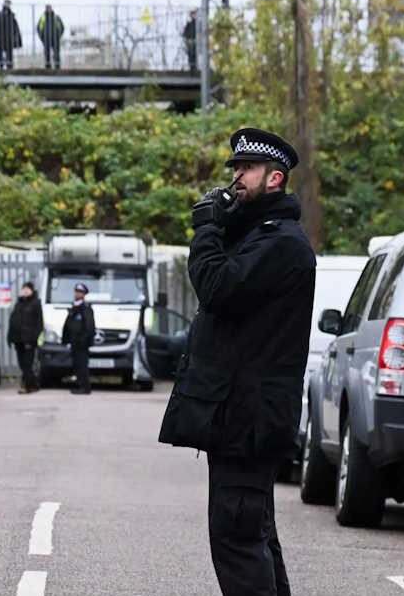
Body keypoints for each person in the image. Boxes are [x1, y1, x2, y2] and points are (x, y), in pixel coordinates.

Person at [158, 128, 316, 596]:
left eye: (246, 169)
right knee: (254, 533)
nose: (236, 178)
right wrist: (223, 224)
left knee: (237, 537)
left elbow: (218, 288)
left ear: (275, 179)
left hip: (250, 419)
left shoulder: (282, 244)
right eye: (235, 169)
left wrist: (207, 229)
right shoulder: (259, 237)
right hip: (240, 416)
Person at [8, 281, 43, 394]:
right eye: (24, 289)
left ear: (32, 291)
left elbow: (39, 323)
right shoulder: (19, 304)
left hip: (29, 340)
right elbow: (13, 320)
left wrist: (34, 337)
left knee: (27, 364)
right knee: (22, 364)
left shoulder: (36, 303)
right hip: (18, 340)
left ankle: (27, 386)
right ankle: (34, 384)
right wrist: (9, 337)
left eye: (28, 289)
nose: (25, 291)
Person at [61, 282, 95, 395]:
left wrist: (83, 340)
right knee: (76, 365)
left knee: (82, 365)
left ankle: (85, 387)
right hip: (74, 342)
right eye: (76, 292)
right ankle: (80, 385)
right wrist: (65, 339)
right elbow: (68, 324)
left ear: (84, 294)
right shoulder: (74, 307)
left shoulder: (85, 308)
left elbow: (89, 327)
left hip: (81, 343)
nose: (77, 294)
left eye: (80, 292)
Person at [0, 0, 22, 71]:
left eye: (8, 4)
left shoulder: (12, 15)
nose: (7, 5)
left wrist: (17, 37)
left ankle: (9, 66)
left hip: (9, 37)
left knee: (9, 53)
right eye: (6, 3)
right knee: (0, 53)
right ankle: (1, 65)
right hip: (1, 37)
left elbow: (16, 27)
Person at [37, 4, 64, 70]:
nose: (48, 9)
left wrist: (58, 36)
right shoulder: (43, 18)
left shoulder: (56, 17)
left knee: (56, 53)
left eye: (49, 7)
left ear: (52, 8)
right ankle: (48, 67)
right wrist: (42, 38)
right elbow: (39, 29)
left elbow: (62, 27)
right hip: (46, 39)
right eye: (47, 7)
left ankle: (57, 66)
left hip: (55, 39)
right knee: (47, 53)